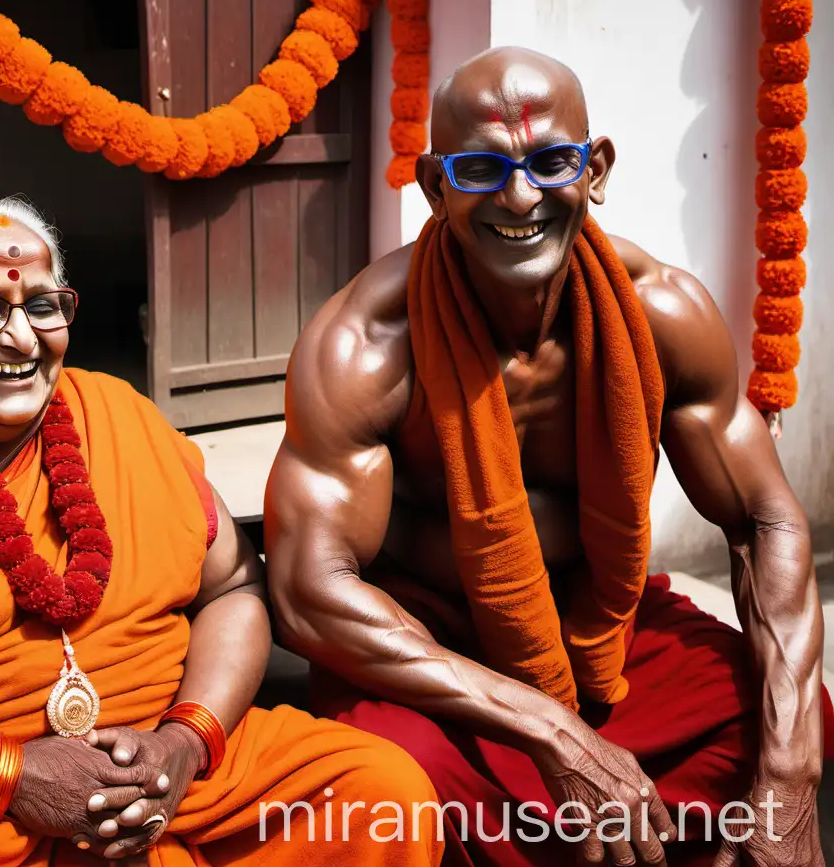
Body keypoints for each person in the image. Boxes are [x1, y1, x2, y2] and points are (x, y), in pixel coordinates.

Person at [0, 195, 444, 867]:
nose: (20, 336)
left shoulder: (118, 413)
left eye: (42, 304)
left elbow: (234, 588)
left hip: (161, 787)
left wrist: (186, 741)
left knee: (382, 794)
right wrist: (13, 773)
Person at [264, 47, 830, 867]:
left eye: (550, 162)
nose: (520, 197)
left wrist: (787, 781)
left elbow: (764, 519)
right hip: (439, 655)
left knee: (789, 712)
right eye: (482, 168)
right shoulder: (363, 347)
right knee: (395, 786)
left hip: (602, 631)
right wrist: (551, 732)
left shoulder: (664, 312)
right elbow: (307, 594)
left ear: (594, 169)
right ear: (435, 186)